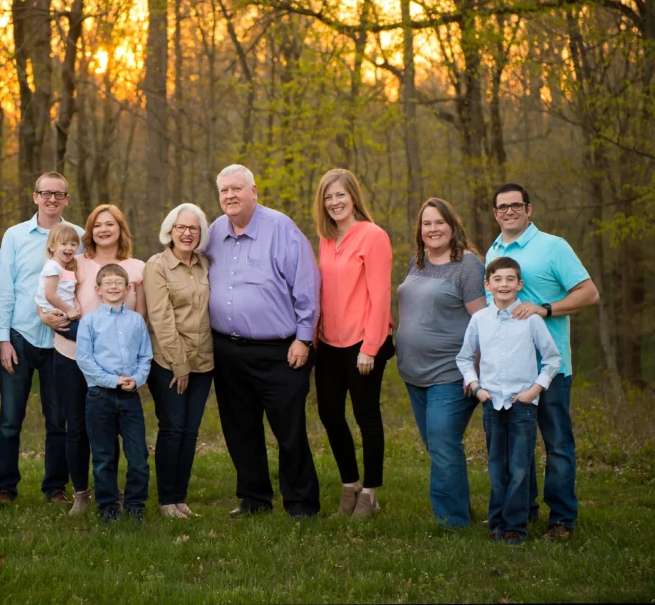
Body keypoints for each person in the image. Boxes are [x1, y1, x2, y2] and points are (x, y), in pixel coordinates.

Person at [203, 164, 321, 519]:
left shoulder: (281, 228)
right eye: (224, 190)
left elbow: (307, 288)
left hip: (280, 351)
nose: (230, 196)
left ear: (254, 191)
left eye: (237, 189)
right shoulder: (213, 232)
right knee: (240, 429)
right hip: (227, 350)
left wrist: (304, 338)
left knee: (290, 430)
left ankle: (301, 504)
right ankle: (254, 499)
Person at [484, 182, 599, 540]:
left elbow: (589, 294)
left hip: (549, 368)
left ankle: (562, 518)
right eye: (502, 207)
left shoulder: (553, 247)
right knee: (516, 446)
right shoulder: (493, 252)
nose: (509, 212)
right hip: (507, 372)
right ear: (495, 213)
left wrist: (546, 308)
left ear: (529, 209)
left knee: (556, 442)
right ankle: (524, 509)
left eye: (516, 206)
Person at [42, 204, 146, 515]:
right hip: (72, 356)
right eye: (97, 224)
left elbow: (140, 317)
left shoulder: (137, 267)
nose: (103, 229)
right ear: (89, 230)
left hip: (115, 366)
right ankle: (81, 493)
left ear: (120, 229)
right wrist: (43, 316)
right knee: (75, 427)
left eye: (110, 224)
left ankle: (111, 492)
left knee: (110, 428)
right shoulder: (74, 262)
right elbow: (45, 291)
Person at [0, 172, 83, 506]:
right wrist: (3, 339)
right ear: (35, 197)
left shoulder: (79, 237)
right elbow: (6, 291)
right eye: (46, 193)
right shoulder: (15, 236)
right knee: (10, 418)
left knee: (57, 419)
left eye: (59, 194)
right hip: (21, 336)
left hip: (62, 341)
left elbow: (86, 286)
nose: (52, 199)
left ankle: (55, 488)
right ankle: (4, 487)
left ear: (67, 199)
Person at [457, 256, 561, 546]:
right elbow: (464, 357)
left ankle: (515, 526)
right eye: (498, 279)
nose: (504, 284)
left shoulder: (531, 320)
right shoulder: (480, 320)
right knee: (496, 465)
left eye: (510, 279)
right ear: (487, 284)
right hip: (491, 402)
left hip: (523, 404)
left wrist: (533, 392)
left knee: (519, 467)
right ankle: (498, 521)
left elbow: (552, 359)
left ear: (520, 284)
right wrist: (476, 388)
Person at [395, 197, 486, 527]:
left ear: (452, 226)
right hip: (413, 372)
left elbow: (482, 322)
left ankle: (452, 521)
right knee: (437, 444)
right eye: (426, 224)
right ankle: (458, 509)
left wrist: (473, 371)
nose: (433, 229)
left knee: (444, 443)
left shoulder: (468, 266)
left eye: (439, 223)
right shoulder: (416, 262)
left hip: (450, 373)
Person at [312, 169, 394, 519]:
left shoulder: (373, 236)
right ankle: (350, 487)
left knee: (367, 416)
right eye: (328, 197)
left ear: (353, 197)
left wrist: (371, 347)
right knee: (329, 413)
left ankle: (370, 495)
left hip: (363, 342)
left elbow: (381, 296)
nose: (334, 203)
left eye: (340, 195)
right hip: (328, 342)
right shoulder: (326, 238)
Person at [143, 203, 213, 519]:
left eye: (193, 228)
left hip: (205, 362)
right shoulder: (157, 266)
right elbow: (160, 318)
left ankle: (180, 498)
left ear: (201, 234)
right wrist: (179, 363)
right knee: (172, 427)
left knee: (190, 430)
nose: (187, 233)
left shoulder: (205, 265)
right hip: (169, 364)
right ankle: (166, 500)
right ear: (170, 231)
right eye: (181, 228)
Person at [75, 264, 153, 524]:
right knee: (103, 457)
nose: (113, 286)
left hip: (130, 397)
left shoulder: (136, 321)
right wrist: (112, 380)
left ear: (128, 288)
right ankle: (108, 507)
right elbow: (85, 360)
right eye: (107, 282)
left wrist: (137, 379)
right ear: (97, 290)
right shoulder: (89, 322)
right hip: (99, 397)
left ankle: (134, 505)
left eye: (118, 282)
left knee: (138, 457)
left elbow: (145, 357)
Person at [34, 223, 83, 342]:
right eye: (64, 244)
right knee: (87, 337)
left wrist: (76, 304)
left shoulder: (66, 267)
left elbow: (69, 289)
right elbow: (50, 295)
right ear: (52, 247)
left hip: (67, 313)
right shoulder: (52, 267)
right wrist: (69, 309)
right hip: (58, 316)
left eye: (73, 244)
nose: (69, 247)